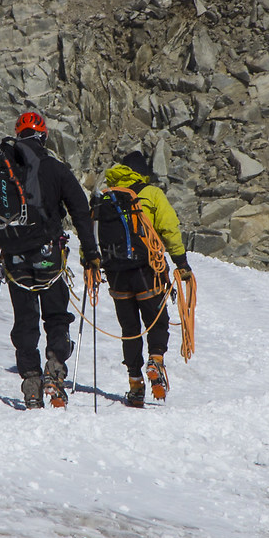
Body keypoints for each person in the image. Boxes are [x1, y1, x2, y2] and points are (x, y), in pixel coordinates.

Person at [0, 111, 96, 408]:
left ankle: (31, 384)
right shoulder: (54, 168)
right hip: (48, 256)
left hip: (14, 260)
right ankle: (55, 371)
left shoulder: (3, 167)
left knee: (25, 321)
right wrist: (91, 254)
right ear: (44, 136)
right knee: (56, 316)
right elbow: (80, 210)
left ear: (18, 135)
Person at [92, 150, 191, 407]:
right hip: (147, 272)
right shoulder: (151, 193)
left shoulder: (105, 197)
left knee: (130, 331)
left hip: (116, 274)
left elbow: (91, 234)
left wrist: (89, 262)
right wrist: (181, 262)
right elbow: (169, 228)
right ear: (142, 173)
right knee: (157, 322)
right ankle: (155, 362)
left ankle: (135, 385)